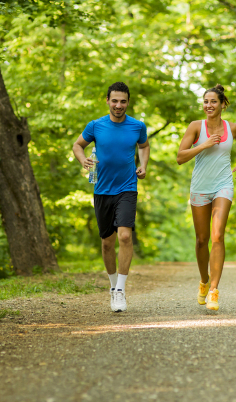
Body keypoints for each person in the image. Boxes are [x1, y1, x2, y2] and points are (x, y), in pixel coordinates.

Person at [72, 82, 150, 312]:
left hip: (127, 187)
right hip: (102, 190)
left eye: (123, 101)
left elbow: (144, 146)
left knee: (125, 236)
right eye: (114, 101)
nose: (118, 105)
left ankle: (120, 291)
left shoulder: (137, 126)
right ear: (107, 100)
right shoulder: (95, 126)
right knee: (107, 243)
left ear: (128, 102)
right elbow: (77, 145)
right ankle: (112, 285)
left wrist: (143, 164)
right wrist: (83, 160)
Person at [176, 84, 236, 311]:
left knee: (217, 235)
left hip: (223, 185)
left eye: (213, 101)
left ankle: (214, 290)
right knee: (201, 239)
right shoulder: (196, 127)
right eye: (206, 102)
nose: (208, 105)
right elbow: (180, 157)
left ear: (222, 104)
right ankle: (204, 281)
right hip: (200, 186)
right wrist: (204, 145)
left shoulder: (232, 127)